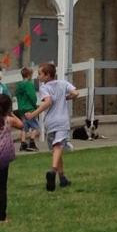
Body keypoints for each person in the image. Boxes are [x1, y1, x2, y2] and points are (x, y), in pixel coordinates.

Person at [23, 62, 78, 191]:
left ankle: (62, 178)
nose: (38, 77)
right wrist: (67, 97)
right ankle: (53, 171)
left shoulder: (44, 87)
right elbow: (76, 93)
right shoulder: (63, 83)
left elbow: (47, 101)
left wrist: (33, 114)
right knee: (58, 147)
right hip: (62, 121)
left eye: (40, 74)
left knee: (56, 149)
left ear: (47, 75)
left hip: (50, 122)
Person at [0, 94, 23, 222]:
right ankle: (2, 216)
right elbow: (21, 125)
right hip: (3, 157)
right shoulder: (9, 120)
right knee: (2, 187)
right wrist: (11, 113)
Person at [14, 67, 40, 152]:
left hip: (21, 108)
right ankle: (32, 142)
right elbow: (32, 96)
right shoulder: (29, 84)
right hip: (29, 108)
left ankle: (23, 143)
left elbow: (17, 96)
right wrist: (35, 106)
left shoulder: (18, 85)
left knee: (24, 127)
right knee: (35, 127)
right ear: (29, 75)